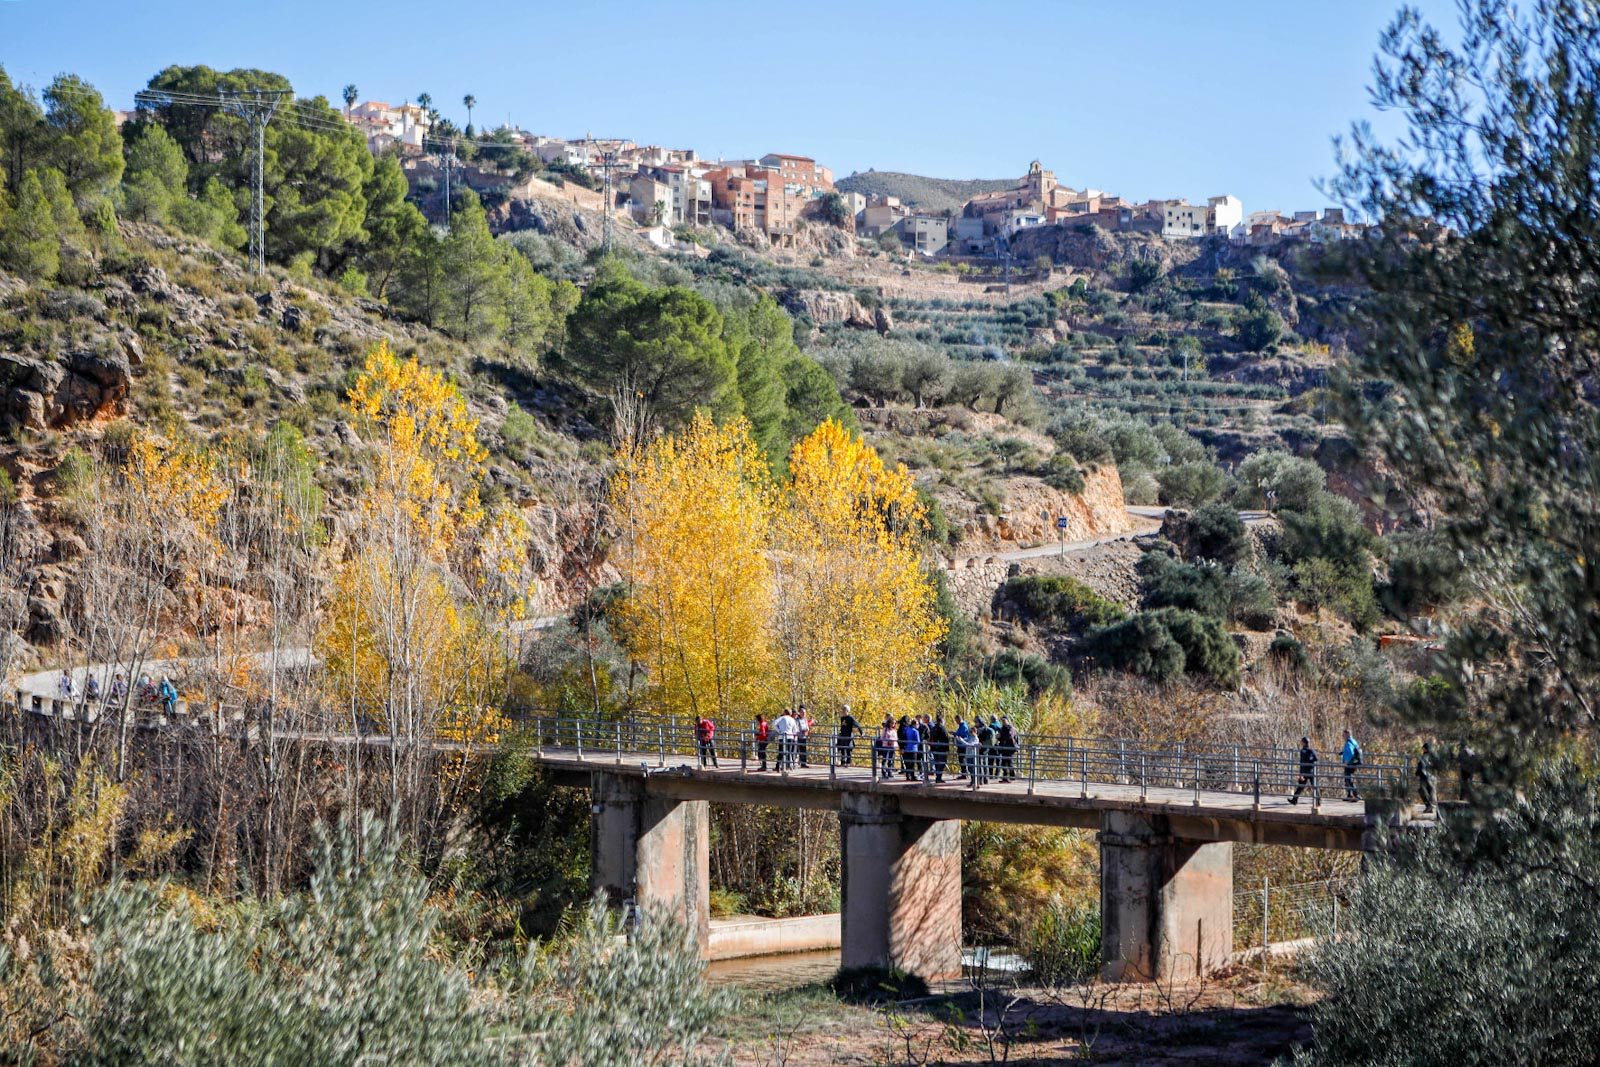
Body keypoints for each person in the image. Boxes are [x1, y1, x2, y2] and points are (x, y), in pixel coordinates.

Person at [1289, 736, 1318, 804]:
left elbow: (1302, 763)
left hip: (1305, 771)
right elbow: (1316, 759)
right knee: (1314, 785)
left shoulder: (1303, 751)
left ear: (1304, 743)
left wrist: (1301, 773)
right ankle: (1318, 800)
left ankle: (1294, 800)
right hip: (1311, 770)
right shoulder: (1312, 750)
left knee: (1301, 786)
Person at [1340, 728, 1362, 801]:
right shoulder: (1354, 741)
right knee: (1347, 779)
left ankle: (1356, 795)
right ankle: (1349, 795)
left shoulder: (1348, 742)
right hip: (1354, 762)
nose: (1343, 736)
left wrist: (1346, 762)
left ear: (1348, 734)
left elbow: (1350, 752)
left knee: (1349, 779)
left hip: (1350, 764)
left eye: (1344, 734)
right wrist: (1342, 753)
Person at [928, 715, 951, 783]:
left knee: (937, 763)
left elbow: (931, 738)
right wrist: (947, 749)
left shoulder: (933, 728)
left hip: (934, 748)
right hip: (941, 748)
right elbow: (946, 738)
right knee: (942, 763)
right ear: (942, 721)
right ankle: (938, 777)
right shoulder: (942, 728)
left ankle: (938, 777)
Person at [997, 716, 1019, 782]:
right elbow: (1001, 738)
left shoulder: (1011, 728)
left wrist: (1001, 735)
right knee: (1004, 763)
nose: (1003, 722)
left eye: (1004, 720)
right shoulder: (1002, 728)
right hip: (1004, 748)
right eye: (1002, 720)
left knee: (1009, 762)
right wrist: (998, 737)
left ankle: (1011, 776)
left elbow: (1010, 736)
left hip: (1010, 747)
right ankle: (1006, 777)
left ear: (1007, 721)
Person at [1416, 741, 1436, 813]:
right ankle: (1431, 806)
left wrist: (1418, 773)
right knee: (1431, 792)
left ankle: (1429, 805)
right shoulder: (1433, 756)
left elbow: (1421, 766)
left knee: (1422, 791)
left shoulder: (1424, 756)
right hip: (1432, 777)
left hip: (1425, 777)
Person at [976, 718, 996, 785]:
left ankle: (981, 780)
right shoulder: (986, 728)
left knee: (980, 764)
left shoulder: (980, 729)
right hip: (986, 748)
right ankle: (986, 779)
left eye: (976, 722)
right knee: (985, 764)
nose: (975, 723)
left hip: (981, 748)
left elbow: (978, 738)